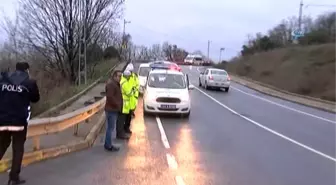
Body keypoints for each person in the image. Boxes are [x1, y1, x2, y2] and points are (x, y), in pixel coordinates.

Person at [0, 62, 40, 185]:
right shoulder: (30, 82)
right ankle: (13, 178)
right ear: (27, 70)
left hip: (2, 120)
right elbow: (35, 99)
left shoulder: (3, 80)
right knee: (18, 149)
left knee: (1, 146)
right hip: (19, 121)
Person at [104, 70, 123, 152]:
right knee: (111, 128)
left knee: (110, 128)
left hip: (112, 109)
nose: (120, 78)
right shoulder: (112, 85)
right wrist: (117, 105)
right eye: (119, 76)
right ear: (114, 76)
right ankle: (109, 145)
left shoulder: (114, 84)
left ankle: (107, 144)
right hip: (111, 109)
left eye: (121, 76)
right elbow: (110, 97)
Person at [115, 70, 133, 139]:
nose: (129, 77)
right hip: (123, 104)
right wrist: (132, 91)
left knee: (122, 119)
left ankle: (121, 132)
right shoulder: (125, 83)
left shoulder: (123, 81)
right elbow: (129, 93)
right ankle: (120, 134)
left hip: (124, 103)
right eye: (129, 76)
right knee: (121, 119)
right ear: (127, 76)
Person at [124, 63, 139, 134]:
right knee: (125, 116)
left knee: (129, 116)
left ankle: (127, 127)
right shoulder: (125, 77)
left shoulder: (134, 76)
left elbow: (137, 85)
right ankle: (125, 128)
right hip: (126, 100)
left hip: (132, 99)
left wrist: (134, 91)